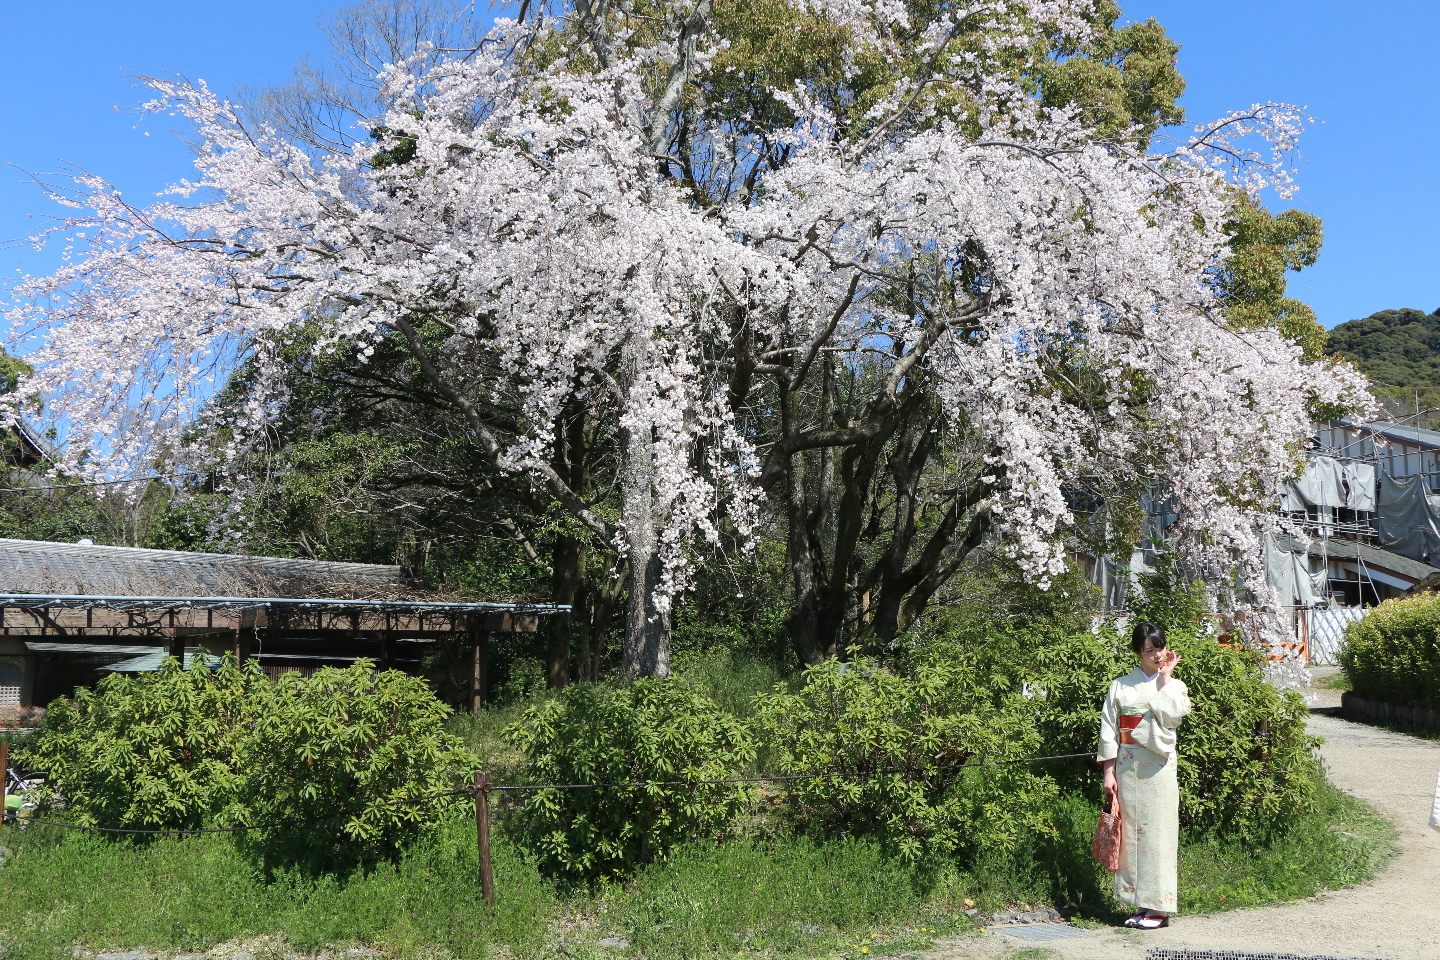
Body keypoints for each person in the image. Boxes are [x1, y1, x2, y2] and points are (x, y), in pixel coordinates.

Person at [1097, 622, 1192, 929]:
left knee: (1158, 835)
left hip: (1158, 769)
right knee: (1131, 836)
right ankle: (1140, 904)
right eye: (1150, 650)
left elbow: (1174, 717)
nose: (1157, 655)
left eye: (1160, 648)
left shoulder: (1173, 684)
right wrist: (1108, 773)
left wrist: (1165, 680)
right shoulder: (1120, 685)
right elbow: (1109, 731)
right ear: (1138, 652)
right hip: (1127, 766)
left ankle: (1159, 909)